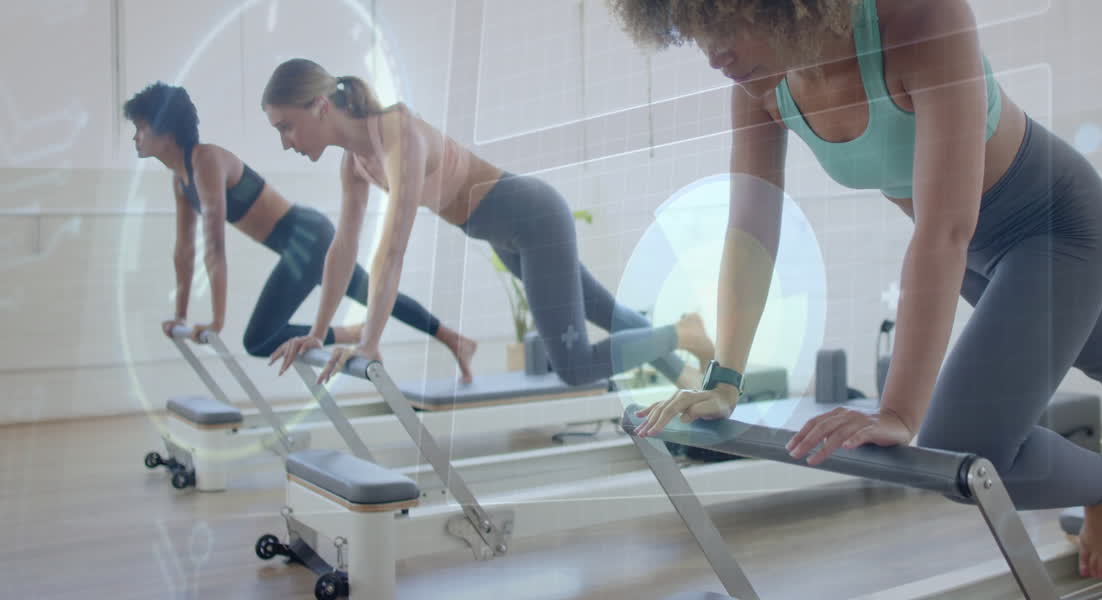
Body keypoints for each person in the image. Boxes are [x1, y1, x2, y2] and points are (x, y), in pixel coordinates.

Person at [596, 0, 1102, 579]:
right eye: (692, 27)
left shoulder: (918, 17)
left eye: (722, 21)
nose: (712, 53)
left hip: (1055, 225)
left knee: (958, 446)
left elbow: (943, 228)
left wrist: (900, 410)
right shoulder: (760, 88)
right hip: (976, 251)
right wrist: (723, 377)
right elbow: (752, 228)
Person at [259, 59, 715, 390]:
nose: (285, 143)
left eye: (286, 127)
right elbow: (343, 250)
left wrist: (370, 342)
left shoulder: (397, 132)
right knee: (607, 313)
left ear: (320, 106)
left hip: (531, 217)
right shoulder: (355, 164)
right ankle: (693, 379)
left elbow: (392, 248)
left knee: (574, 367)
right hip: (506, 233)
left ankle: (684, 333)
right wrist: (318, 332)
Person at [124, 82, 477, 382]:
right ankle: (453, 338)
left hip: (304, 238)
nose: (136, 137)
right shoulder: (180, 181)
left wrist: (216, 321)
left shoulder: (206, 161)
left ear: (165, 130)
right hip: (303, 240)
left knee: (259, 339)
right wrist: (181, 315)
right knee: (370, 291)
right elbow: (183, 252)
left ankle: (356, 333)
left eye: (141, 128)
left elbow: (214, 245)